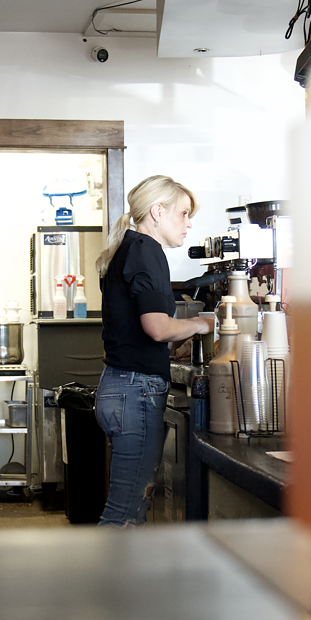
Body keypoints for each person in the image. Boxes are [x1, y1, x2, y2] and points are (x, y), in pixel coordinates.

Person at [93, 175, 214, 527]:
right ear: (158, 212)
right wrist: (206, 325)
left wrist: (175, 345)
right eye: (183, 213)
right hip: (135, 391)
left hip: (123, 387)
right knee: (123, 513)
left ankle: (120, 582)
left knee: (131, 507)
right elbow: (157, 327)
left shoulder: (132, 247)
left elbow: (138, 329)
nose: (188, 223)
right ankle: (97, 583)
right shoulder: (146, 250)